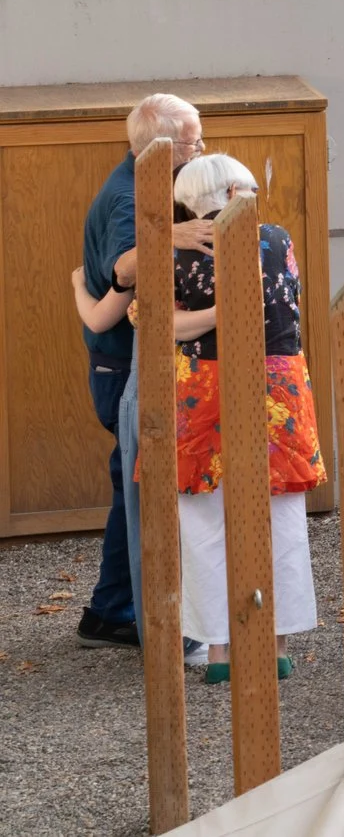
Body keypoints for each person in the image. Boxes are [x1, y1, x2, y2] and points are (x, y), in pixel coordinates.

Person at [154, 155, 325, 686]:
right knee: (283, 518)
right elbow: (287, 304)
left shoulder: (175, 252)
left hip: (201, 388)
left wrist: (210, 315)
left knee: (203, 523)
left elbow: (164, 324)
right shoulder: (275, 238)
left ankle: (219, 651)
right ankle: (276, 644)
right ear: (233, 192)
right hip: (280, 385)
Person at [72, 92, 207, 651]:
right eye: (195, 140)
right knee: (140, 485)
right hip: (123, 364)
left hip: (124, 357)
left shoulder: (151, 184)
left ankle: (108, 611)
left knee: (133, 484)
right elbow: (125, 270)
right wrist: (168, 236)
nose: (203, 147)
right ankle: (122, 614)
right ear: (164, 148)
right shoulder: (131, 195)